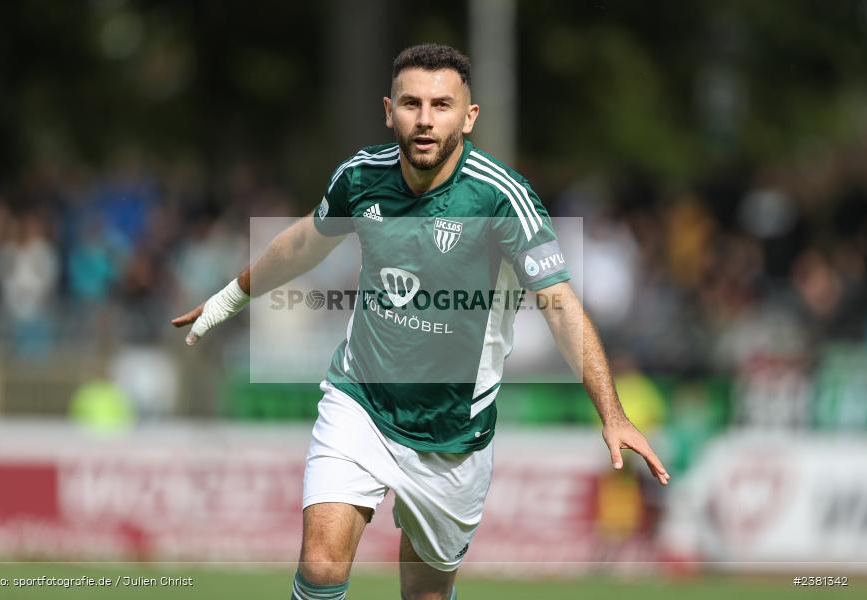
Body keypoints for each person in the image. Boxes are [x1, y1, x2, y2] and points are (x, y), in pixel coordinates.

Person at [172, 43, 669, 600]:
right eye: (411, 103)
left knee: (425, 594)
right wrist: (227, 299)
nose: (426, 119)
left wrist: (613, 412)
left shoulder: (502, 197)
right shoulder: (360, 178)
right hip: (360, 400)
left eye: (441, 104)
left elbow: (559, 304)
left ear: (469, 115)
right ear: (390, 111)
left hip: (454, 432)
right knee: (321, 567)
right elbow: (304, 245)